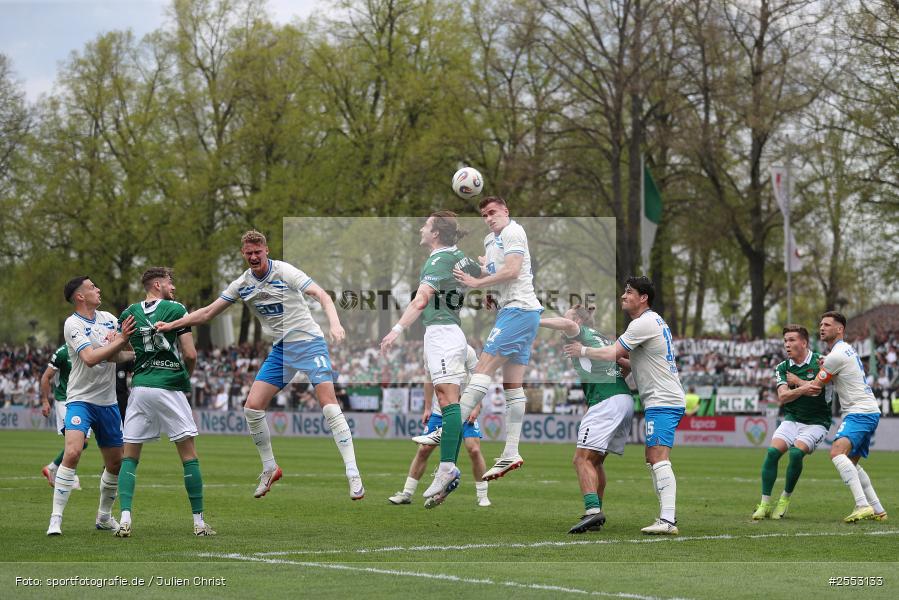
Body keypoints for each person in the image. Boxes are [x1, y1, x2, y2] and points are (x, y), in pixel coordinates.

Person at [156, 230, 363, 500]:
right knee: (252, 407)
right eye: (249, 253)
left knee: (329, 404)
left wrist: (335, 324)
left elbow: (321, 295)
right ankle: (270, 468)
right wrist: (172, 325)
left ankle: (352, 472)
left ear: (266, 250)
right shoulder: (242, 284)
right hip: (282, 350)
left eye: (258, 252)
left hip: (309, 342)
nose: (254, 257)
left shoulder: (284, 271)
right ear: (243, 254)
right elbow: (207, 313)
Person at [564, 276, 685, 535]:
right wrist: (617, 366)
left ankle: (668, 520)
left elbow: (612, 353)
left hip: (663, 399)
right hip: (661, 399)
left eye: (629, 292)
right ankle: (666, 517)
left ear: (644, 298)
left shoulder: (643, 323)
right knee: (652, 458)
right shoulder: (650, 322)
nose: (623, 296)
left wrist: (583, 351)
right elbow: (631, 362)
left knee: (658, 457)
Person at [380, 211, 483, 507]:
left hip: (442, 333)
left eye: (425, 225)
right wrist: (488, 262)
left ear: (436, 233)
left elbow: (421, 299)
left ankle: (448, 467)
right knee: (447, 399)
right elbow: (483, 271)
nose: (421, 229)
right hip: (450, 332)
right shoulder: (459, 256)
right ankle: (447, 466)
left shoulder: (438, 260)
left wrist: (396, 330)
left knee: (448, 401)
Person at [113, 267, 214, 537]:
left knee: (130, 456)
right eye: (170, 282)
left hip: (140, 388)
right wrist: (183, 378)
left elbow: (119, 352)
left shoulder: (128, 313)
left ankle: (124, 518)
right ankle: (199, 523)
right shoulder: (176, 309)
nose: (174, 287)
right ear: (157, 285)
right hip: (168, 386)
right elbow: (190, 354)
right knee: (188, 455)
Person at [451, 197, 543, 481]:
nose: (489, 218)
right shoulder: (490, 240)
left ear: (506, 211)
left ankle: (449, 427)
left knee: (483, 368)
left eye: (493, 212)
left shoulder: (513, 231)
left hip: (519, 309)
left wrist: (478, 283)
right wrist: (491, 290)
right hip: (517, 311)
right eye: (484, 215)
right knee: (512, 385)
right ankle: (511, 451)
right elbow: (498, 272)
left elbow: (513, 270)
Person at [47, 276, 135, 535]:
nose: (98, 289)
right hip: (80, 400)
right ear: (80, 296)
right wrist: (119, 340)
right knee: (73, 452)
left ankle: (104, 517)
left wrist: (126, 343)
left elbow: (121, 354)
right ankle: (55, 519)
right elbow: (89, 358)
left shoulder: (109, 318)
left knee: (115, 463)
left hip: (108, 402)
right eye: (92, 287)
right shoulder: (72, 324)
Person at [540, 305, 634, 534]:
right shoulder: (601, 337)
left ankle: (592, 511)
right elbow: (626, 365)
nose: (564, 321)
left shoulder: (579, 333)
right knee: (595, 461)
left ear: (579, 321)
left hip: (606, 400)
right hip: (622, 398)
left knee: (581, 460)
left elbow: (568, 324)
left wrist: (532, 320)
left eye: (568, 316)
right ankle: (596, 512)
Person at [387, 347, 491, 508]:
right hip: (440, 410)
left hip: (465, 408)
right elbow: (429, 379)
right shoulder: (430, 350)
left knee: (474, 450)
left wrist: (477, 406)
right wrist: (427, 408)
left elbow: (478, 379)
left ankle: (482, 495)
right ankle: (407, 493)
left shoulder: (466, 350)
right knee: (423, 450)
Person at [810, 311, 886, 523]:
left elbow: (815, 387)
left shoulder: (836, 355)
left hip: (859, 412)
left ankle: (862, 505)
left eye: (827, 325)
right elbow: (835, 367)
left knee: (836, 452)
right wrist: (826, 364)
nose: (822, 328)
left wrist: (795, 382)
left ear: (840, 329)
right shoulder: (845, 350)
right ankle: (878, 509)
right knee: (851, 462)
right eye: (821, 324)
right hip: (868, 410)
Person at [751, 325, 831, 520]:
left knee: (795, 454)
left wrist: (797, 382)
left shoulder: (822, 361)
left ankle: (784, 500)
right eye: (785, 340)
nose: (787, 344)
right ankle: (764, 504)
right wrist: (803, 388)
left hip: (817, 422)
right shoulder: (783, 367)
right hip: (792, 419)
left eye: (792, 340)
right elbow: (783, 397)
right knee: (772, 453)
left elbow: (817, 391)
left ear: (804, 343)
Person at [39, 344, 83, 491]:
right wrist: (45, 401)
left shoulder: (87, 348)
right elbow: (46, 377)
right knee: (76, 440)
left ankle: (52, 468)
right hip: (64, 401)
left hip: (81, 401)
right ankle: (70, 477)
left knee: (82, 442)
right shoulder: (62, 352)